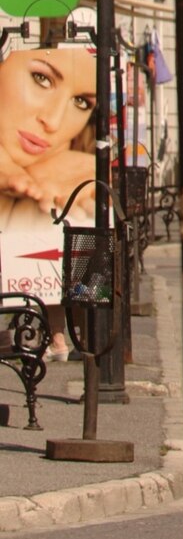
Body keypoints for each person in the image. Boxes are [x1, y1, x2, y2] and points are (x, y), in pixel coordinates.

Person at [0, 39, 97, 331]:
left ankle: (56, 337)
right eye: (41, 78)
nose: (53, 120)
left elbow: (87, 286)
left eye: (81, 101)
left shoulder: (81, 174)